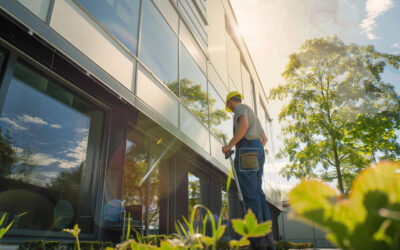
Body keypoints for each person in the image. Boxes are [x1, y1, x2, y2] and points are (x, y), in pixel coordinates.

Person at [222, 91, 275, 250]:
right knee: (258, 195)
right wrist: (256, 151)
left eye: (229, 106)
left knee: (250, 195)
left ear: (231, 102)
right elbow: (264, 140)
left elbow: (243, 125)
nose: (230, 109)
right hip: (258, 151)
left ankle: (256, 242)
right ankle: (268, 241)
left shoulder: (240, 108)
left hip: (246, 150)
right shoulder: (255, 117)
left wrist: (229, 145)